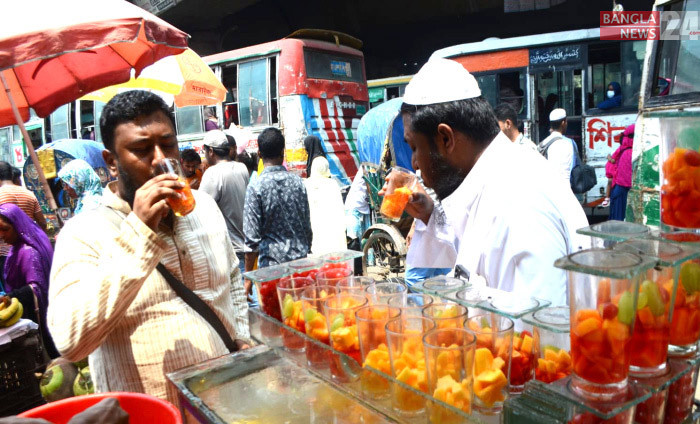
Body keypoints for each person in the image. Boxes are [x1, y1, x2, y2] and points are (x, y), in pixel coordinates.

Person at [48, 90, 250, 407]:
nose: (159, 159)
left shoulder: (206, 207)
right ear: (112, 162)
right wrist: (140, 230)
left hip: (228, 404)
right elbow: (71, 342)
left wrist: (240, 336)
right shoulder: (82, 233)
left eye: (167, 144)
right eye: (141, 150)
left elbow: (233, 281)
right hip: (151, 413)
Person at [393, 58, 588, 306]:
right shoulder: (496, 175)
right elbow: (475, 250)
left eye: (414, 148)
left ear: (445, 138)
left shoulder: (519, 202)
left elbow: (541, 333)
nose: (415, 164)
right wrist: (429, 215)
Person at [243, 127, 312, 285]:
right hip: (300, 267)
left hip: (272, 272)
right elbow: (307, 225)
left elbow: (251, 239)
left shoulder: (256, 187)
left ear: (259, 154)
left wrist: (247, 279)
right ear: (283, 152)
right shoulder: (298, 182)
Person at [0, 203, 59, 358]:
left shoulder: (27, 252)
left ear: (17, 226)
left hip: (39, 318)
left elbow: (36, 289)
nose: (2, 234)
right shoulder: (16, 248)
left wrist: (11, 296)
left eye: (5, 229)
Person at [199, 130, 250, 273]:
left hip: (230, 248)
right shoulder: (242, 168)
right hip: (246, 244)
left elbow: (200, 210)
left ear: (210, 151)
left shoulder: (213, 174)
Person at [304, 156, 346, 255]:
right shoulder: (332, 184)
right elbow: (340, 210)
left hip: (315, 228)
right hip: (333, 230)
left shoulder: (306, 184)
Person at [539, 108, 577, 189]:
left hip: (548, 188)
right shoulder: (568, 143)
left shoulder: (544, 143)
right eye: (566, 121)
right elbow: (571, 169)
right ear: (563, 123)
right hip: (563, 188)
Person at [608, 124, 634, 220]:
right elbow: (627, 180)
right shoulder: (631, 152)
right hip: (624, 193)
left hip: (617, 190)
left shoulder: (622, 149)